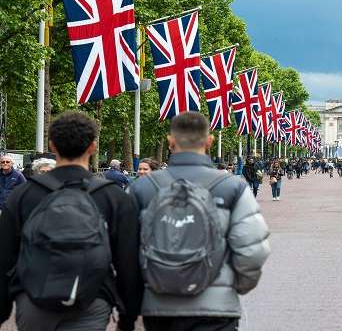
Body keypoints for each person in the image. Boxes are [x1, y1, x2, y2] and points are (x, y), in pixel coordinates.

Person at [0, 111, 142, 331]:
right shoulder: (113, 198)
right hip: (92, 299)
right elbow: (127, 261)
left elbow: (5, 257)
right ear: (93, 147)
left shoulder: (24, 195)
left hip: (33, 299)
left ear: (52, 145)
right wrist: (128, 314)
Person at [129, 112, 270, 330]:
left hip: (159, 305)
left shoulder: (141, 188)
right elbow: (253, 249)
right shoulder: (232, 187)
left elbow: (126, 251)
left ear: (170, 141)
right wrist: (233, 285)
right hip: (216, 309)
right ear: (210, 141)